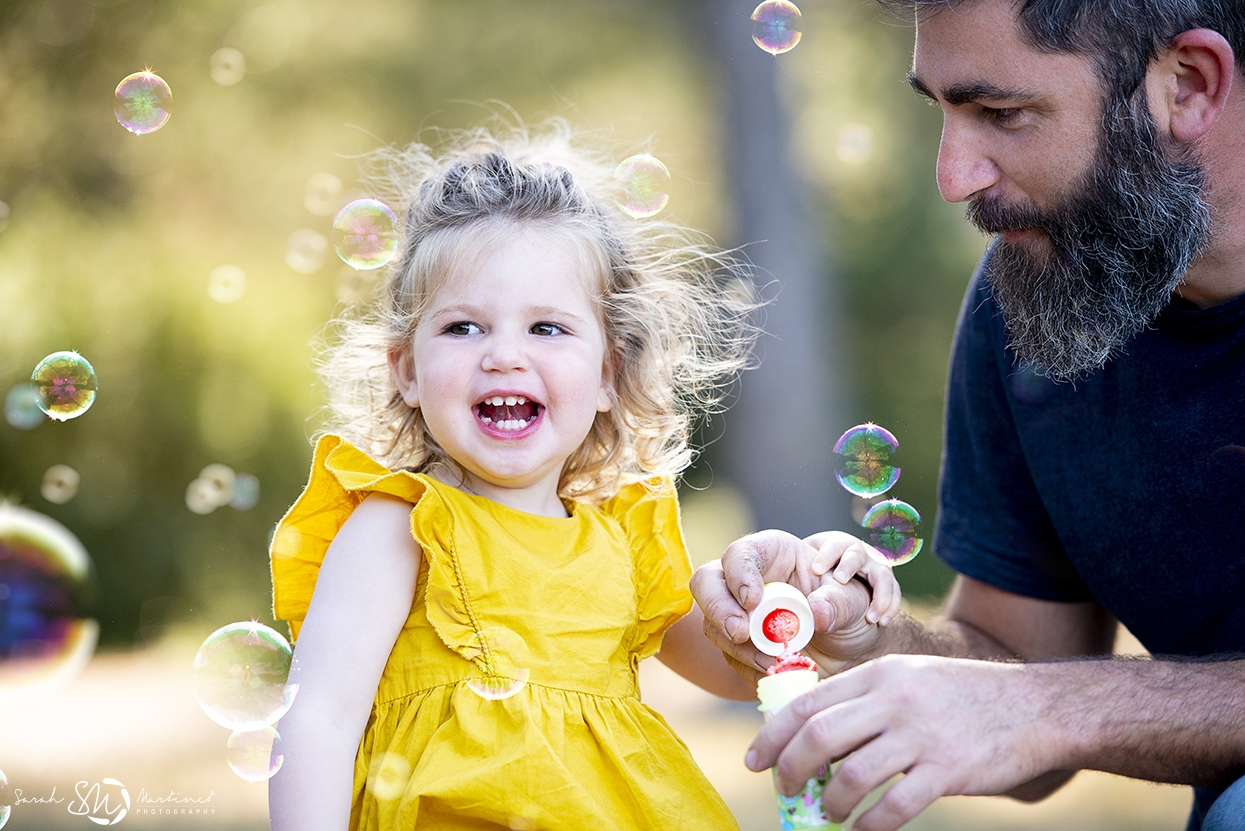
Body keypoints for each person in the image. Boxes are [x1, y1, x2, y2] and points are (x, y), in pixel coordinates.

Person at [691, 1, 1245, 830]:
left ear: (1188, 85)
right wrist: (863, 639)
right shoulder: (1035, 292)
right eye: (943, 110)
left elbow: (1038, 700)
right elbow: (1019, 669)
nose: (954, 178)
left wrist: (1056, 706)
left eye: (1001, 113)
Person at [265, 123, 903, 831]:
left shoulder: (622, 539)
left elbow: (742, 666)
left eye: (545, 328)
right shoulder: (400, 525)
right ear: (407, 371)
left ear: (607, 374)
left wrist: (801, 595)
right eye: (462, 328)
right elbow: (319, 715)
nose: (504, 355)